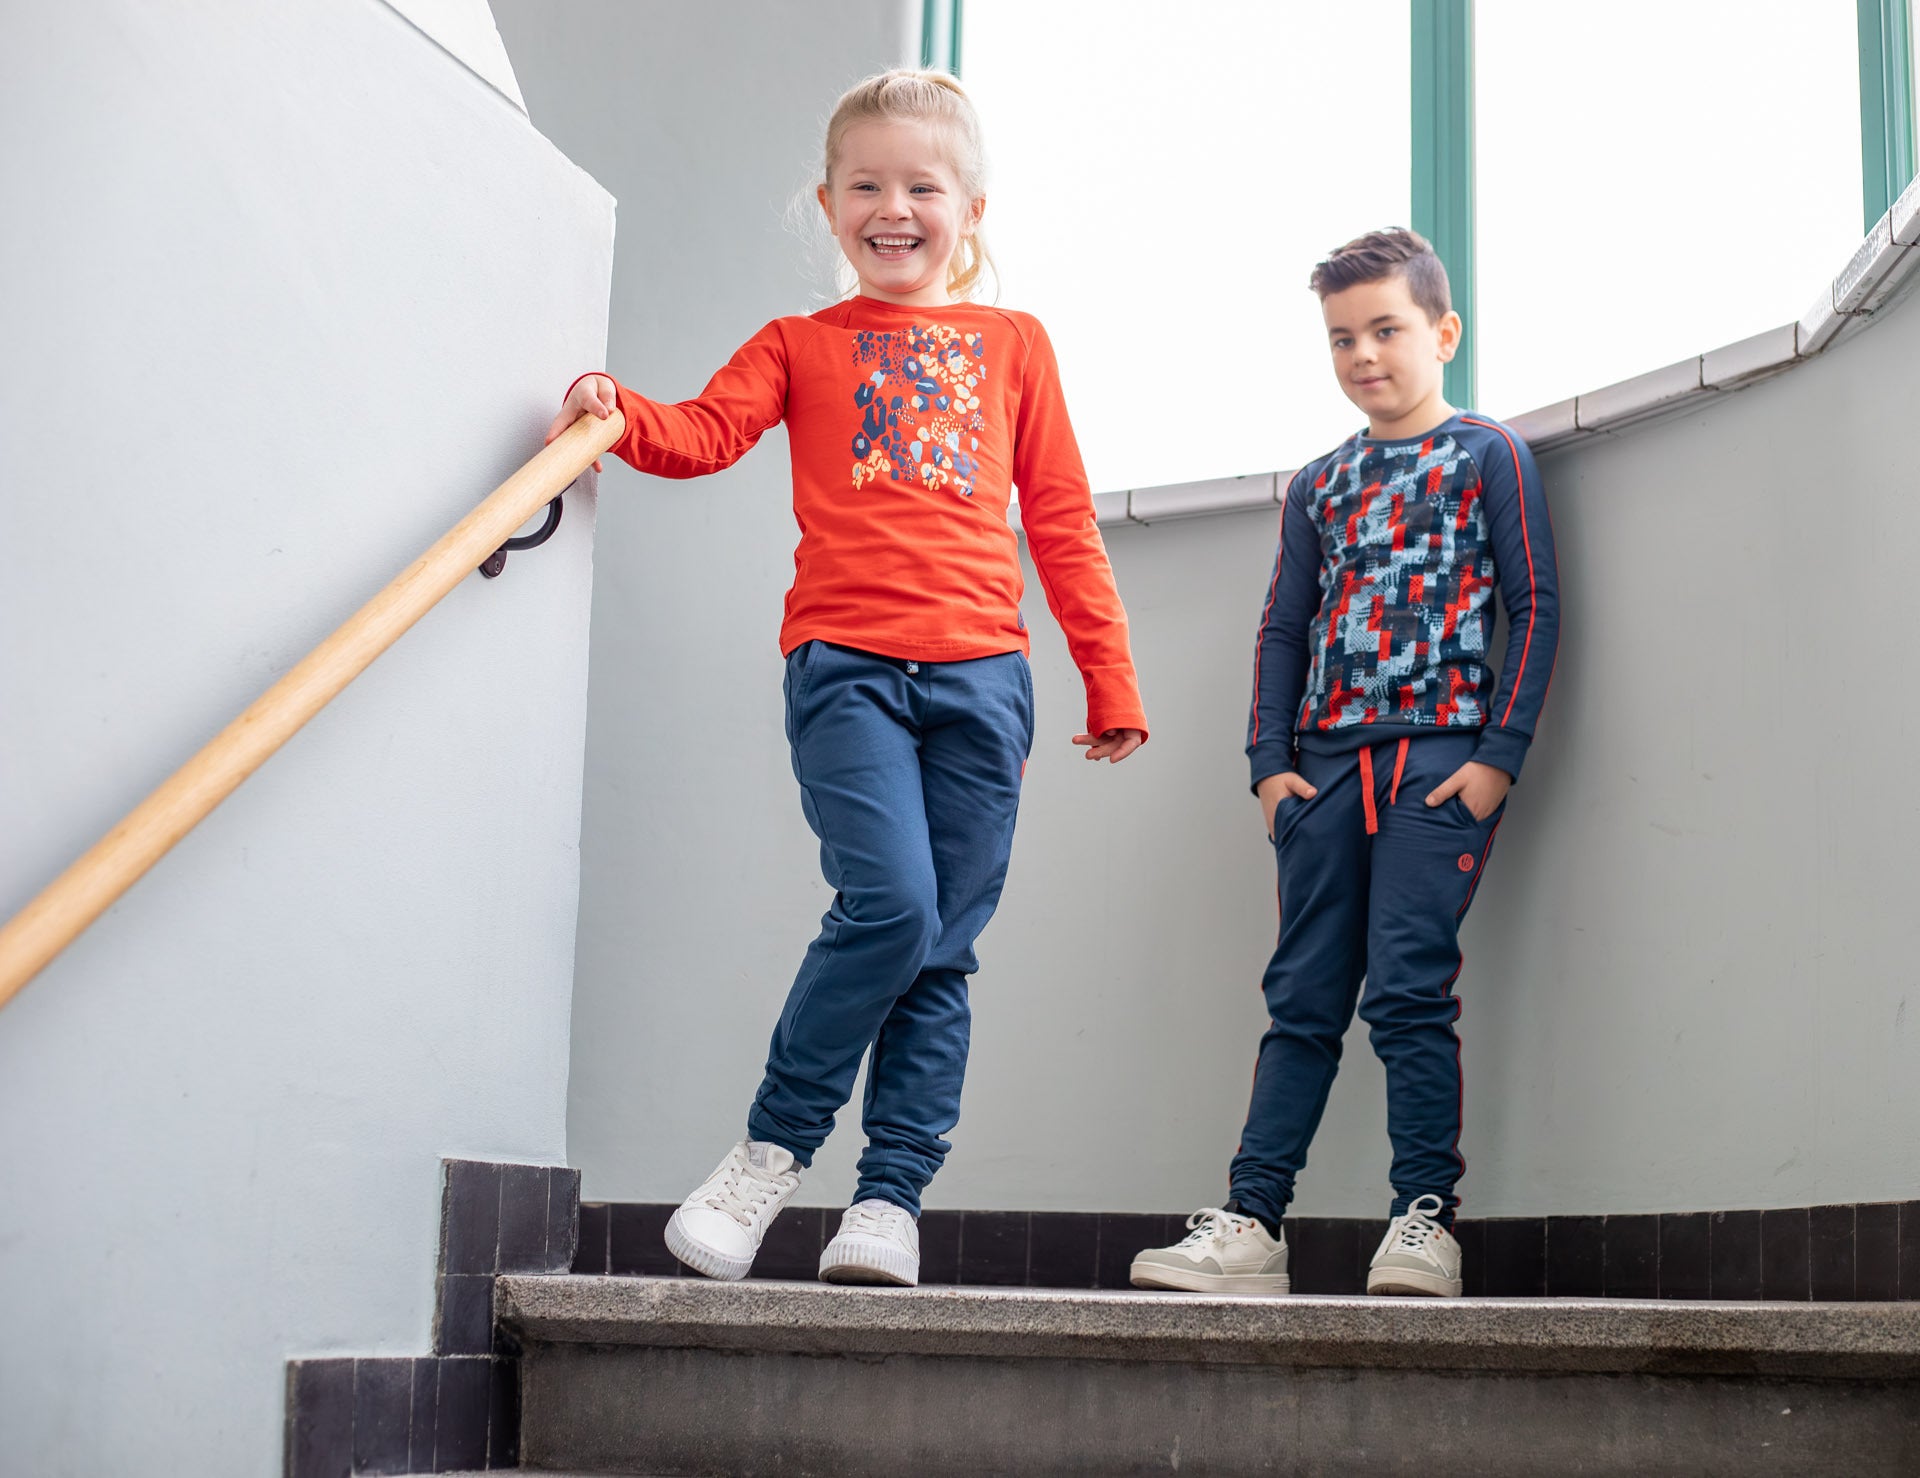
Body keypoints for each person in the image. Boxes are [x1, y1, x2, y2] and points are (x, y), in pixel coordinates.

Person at [547, 69, 1146, 1288]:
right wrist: (615, 412)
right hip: (847, 669)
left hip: (984, 680)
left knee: (943, 948)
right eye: (866, 186)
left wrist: (1109, 673)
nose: (894, 208)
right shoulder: (798, 345)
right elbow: (705, 431)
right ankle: (770, 1152)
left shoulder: (1016, 346)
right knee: (892, 905)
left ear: (970, 208)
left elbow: (1061, 517)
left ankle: (888, 1200)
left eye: (923, 186)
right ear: (828, 206)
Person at [1130, 229, 1558, 1298]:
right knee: (1303, 1000)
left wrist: (1498, 758)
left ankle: (1423, 1222)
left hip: (1440, 767)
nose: (1364, 354)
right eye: (1341, 337)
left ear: (1442, 333)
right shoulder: (1320, 483)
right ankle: (1252, 1222)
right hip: (1322, 778)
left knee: (1409, 993)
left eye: (1386, 329)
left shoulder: (1489, 455)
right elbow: (1283, 627)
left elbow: (1535, 606)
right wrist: (1268, 766)